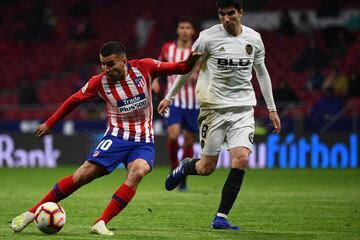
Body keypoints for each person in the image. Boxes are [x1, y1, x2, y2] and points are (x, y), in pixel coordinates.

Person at [11, 41, 201, 235]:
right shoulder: (99, 82)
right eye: (103, 64)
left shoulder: (145, 67)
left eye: (110, 64)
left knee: (138, 172)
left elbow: (180, 68)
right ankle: (31, 213)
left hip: (143, 140)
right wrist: (50, 123)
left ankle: (101, 222)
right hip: (116, 137)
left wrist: (190, 61)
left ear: (124, 61)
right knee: (81, 176)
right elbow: (74, 100)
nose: (106, 69)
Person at [158, 0, 281, 230]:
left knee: (241, 159)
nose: (226, 19)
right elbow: (187, 69)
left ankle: (221, 217)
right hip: (213, 109)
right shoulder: (207, 38)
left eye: (231, 14)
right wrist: (170, 96)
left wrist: (272, 108)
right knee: (206, 168)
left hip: (243, 109)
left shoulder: (254, 39)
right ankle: (185, 167)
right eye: (222, 15)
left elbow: (262, 74)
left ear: (241, 13)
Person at [153, 17, 199, 191]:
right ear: (178, 30)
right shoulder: (168, 48)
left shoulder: (198, 49)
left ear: (192, 31)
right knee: (173, 135)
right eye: (182, 27)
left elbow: (205, 70)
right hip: (173, 100)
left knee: (188, 141)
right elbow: (159, 66)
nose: (185, 30)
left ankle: (183, 176)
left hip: (194, 102)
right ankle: (174, 168)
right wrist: (156, 81)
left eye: (188, 27)